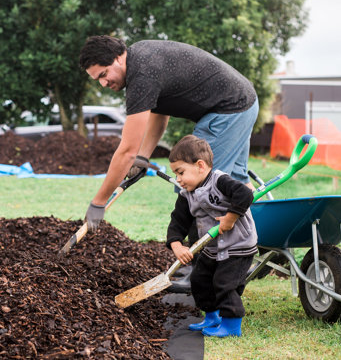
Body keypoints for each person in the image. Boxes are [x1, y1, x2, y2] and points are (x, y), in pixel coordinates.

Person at [78, 35, 258, 234]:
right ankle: (263, 240)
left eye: (104, 74)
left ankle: (203, 260)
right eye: (98, 80)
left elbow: (127, 150)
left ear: (118, 58)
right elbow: (160, 113)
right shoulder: (140, 56)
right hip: (243, 102)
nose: (103, 83)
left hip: (228, 111)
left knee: (196, 186)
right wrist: (142, 157)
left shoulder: (141, 76)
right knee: (237, 183)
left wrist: (99, 202)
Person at [166, 135, 257, 337]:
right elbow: (177, 222)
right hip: (212, 247)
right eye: (175, 174)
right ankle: (212, 317)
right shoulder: (186, 195)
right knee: (200, 280)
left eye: (181, 172)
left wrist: (231, 218)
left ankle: (231, 325)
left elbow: (244, 194)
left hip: (238, 245)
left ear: (200, 165)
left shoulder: (220, 180)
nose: (178, 179)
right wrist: (176, 245)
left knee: (225, 283)